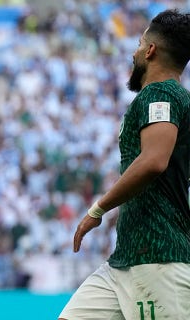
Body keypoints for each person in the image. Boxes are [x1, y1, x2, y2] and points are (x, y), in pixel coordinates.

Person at [59, 9, 190, 320]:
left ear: (151, 50)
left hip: (158, 259)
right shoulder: (177, 99)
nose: (134, 52)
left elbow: (154, 162)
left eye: (139, 43)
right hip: (127, 259)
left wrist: (98, 210)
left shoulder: (161, 94)